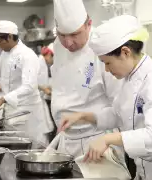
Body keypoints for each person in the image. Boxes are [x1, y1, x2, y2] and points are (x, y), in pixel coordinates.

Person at [59, 15, 152, 180]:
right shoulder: (129, 78)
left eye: (108, 63)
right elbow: (119, 113)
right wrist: (84, 116)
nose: (107, 70)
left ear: (125, 52)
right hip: (147, 169)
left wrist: (108, 139)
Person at [50, 0, 121, 157]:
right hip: (65, 140)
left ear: (89, 24)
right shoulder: (58, 46)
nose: (68, 43)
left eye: (75, 34)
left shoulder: (103, 46)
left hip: (97, 142)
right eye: (62, 35)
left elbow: (120, 105)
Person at [0, 20, 54, 144]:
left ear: (9, 37)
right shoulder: (4, 54)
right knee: (13, 147)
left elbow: (29, 86)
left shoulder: (27, 55)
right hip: (12, 111)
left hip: (27, 112)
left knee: (30, 148)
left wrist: (2, 99)